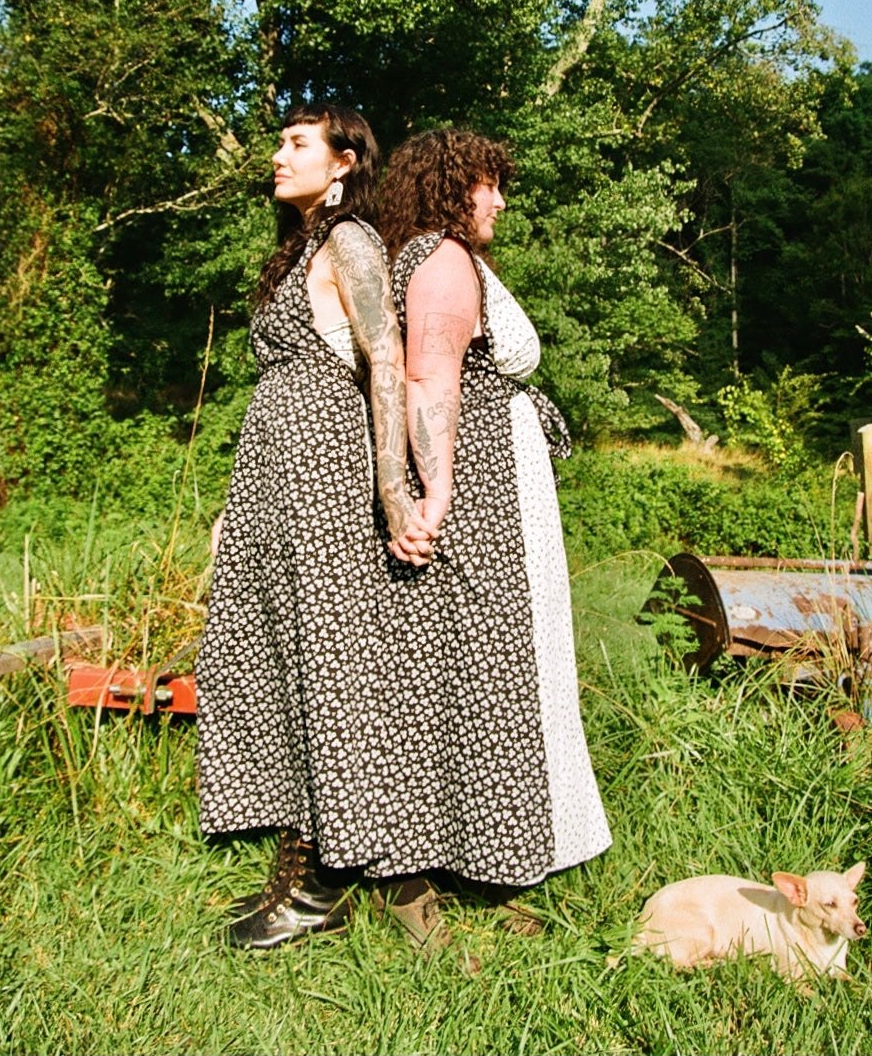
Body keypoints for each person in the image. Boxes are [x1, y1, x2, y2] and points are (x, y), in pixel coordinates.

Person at [196, 102, 434, 952]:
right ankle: (309, 851)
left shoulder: (351, 242)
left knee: (330, 665)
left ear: (342, 162)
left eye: (295, 143)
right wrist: (236, 510)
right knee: (278, 659)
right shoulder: (297, 247)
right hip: (274, 485)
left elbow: (387, 363)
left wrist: (394, 487)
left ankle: (325, 878)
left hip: (328, 481)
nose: (275, 155)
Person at [375, 127, 612, 932]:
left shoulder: (427, 256)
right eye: (488, 183)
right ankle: (442, 867)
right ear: (450, 187)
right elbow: (429, 376)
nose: (500, 198)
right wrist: (434, 496)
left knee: (471, 671)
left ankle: (479, 856)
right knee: (498, 669)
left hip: (488, 482)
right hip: (483, 492)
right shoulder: (442, 260)